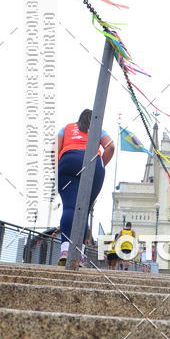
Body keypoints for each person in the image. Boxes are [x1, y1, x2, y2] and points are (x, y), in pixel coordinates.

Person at [56, 110, 114, 264]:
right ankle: (78, 253)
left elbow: (54, 150)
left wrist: (57, 170)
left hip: (68, 161)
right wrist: (99, 166)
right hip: (93, 163)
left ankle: (65, 249)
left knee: (69, 207)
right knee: (84, 209)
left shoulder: (66, 128)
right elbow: (111, 147)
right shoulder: (99, 130)